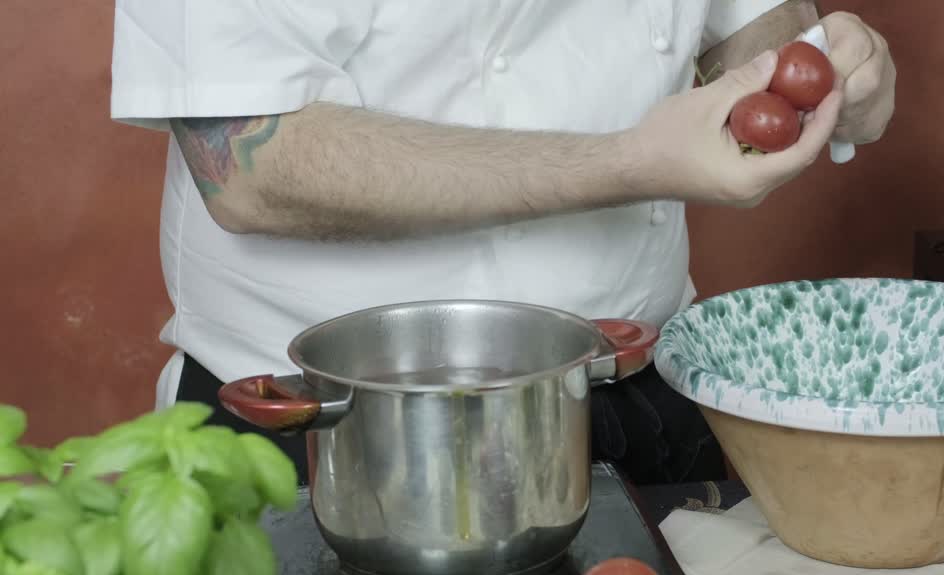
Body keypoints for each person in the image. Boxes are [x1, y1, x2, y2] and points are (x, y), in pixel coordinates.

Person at [109, 1, 895, 486]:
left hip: (635, 403)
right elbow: (251, 168)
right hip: (329, 430)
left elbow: (757, 30)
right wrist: (625, 164)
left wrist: (832, 72)